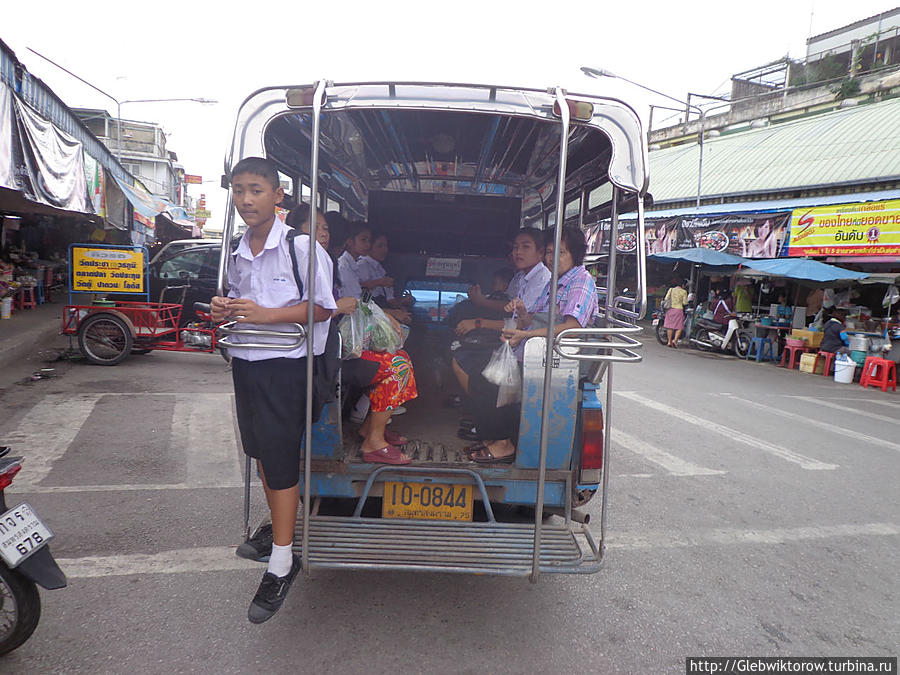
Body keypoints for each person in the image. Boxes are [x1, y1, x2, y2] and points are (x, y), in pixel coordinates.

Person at [210, 156, 337, 624]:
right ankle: (282, 534)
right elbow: (238, 301)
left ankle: (283, 561)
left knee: (280, 462)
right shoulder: (238, 247)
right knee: (263, 454)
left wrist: (266, 315)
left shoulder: (301, 247)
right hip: (246, 362)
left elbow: (323, 309)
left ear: (278, 195)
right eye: (239, 190)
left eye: (256, 190)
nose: (246, 199)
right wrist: (223, 306)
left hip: (287, 366)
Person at [467, 226, 598, 464]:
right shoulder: (554, 282)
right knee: (483, 377)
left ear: (574, 255)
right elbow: (531, 320)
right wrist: (521, 311)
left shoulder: (580, 281)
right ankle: (493, 439)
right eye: (549, 252)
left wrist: (525, 335)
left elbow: (572, 327)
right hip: (539, 355)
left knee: (498, 381)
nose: (552, 258)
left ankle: (504, 444)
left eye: (560, 252)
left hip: (562, 361)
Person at [451, 228, 549, 399]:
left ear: (540, 253)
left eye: (526, 247)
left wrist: (478, 322)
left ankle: (481, 413)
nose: (518, 252)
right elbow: (510, 311)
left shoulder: (541, 280)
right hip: (513, 346)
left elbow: (521, 323)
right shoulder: (524, 278)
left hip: (526, 353)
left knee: (464, 361)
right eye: (516, 247)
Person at [662, 278, 689, 348]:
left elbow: (666, 299)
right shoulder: (684, 292)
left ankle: (669, 341)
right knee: (679, 327)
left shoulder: (671, 290)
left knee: (670, 327)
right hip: (679, 310)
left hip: (670, 309)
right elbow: (685, 302)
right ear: (683, 285)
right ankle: (675, 340)